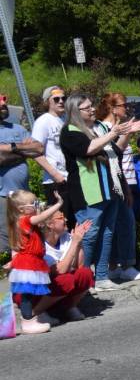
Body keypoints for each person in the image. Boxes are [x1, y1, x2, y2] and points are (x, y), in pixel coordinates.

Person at [60, 95, 140, 291]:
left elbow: (116, 150)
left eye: (91, 106)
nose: (92, 110)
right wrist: (113, 132)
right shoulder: (70, 131)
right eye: (86, 108)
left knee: (107, 233)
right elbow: (88, 149)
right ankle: (84, 277)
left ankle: (101, 277)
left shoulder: (98, 128)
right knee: (90, 235)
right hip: (88, 193)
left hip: (109, 190)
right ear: (75, 112)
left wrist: (127, 132)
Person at [94, 92, 140, 282]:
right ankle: (125, 265)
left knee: (120, 223)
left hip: (122, 182)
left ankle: (117, 264)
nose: (127, 108)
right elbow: (114, 158)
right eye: (123, 105)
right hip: (116, 183)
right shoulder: (106, 129)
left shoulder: (117, 127)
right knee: (125, 223)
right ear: (113, 108)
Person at [9, 189, 67, 330]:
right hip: (28, 262)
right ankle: (27, 322)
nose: (35, 205)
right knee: (27, 295)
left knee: (32, 292)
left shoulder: (27, 221)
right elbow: (41, 218)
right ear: (21, 209)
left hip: (33, 261)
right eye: (32, 203)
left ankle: (34, 317)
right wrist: (58, 204)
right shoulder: (25, 220)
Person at [0, 93, 43, 255]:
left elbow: (38, 148)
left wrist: (10, 148)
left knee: (30, 232)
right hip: (3, 195)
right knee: (6, 237)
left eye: (5, 102)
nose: (3, 105)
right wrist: (23, 150)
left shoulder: (18, 128)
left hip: (25, 194)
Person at [42, 211, 94, 323]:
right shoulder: (41, 244)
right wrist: (74, 243)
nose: (65, 220)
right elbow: (60, 271)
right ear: (50, 224)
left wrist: (79, 243)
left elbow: (79, 266)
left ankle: (70, 307)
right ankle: (37, 312)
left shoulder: (67, 237)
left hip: (61, 290)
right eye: (61, 217)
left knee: (86, 273)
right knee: (66, 279)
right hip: (42, 292)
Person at [31, 86, 69, 207]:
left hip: (71, 176)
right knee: (60, 220)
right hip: (55, 180)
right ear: (48, 102)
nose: (61, 101)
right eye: (56, 99)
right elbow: (34, 152)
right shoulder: (43, 121)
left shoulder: (66, 119)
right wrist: (55, 174)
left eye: (64, 98)